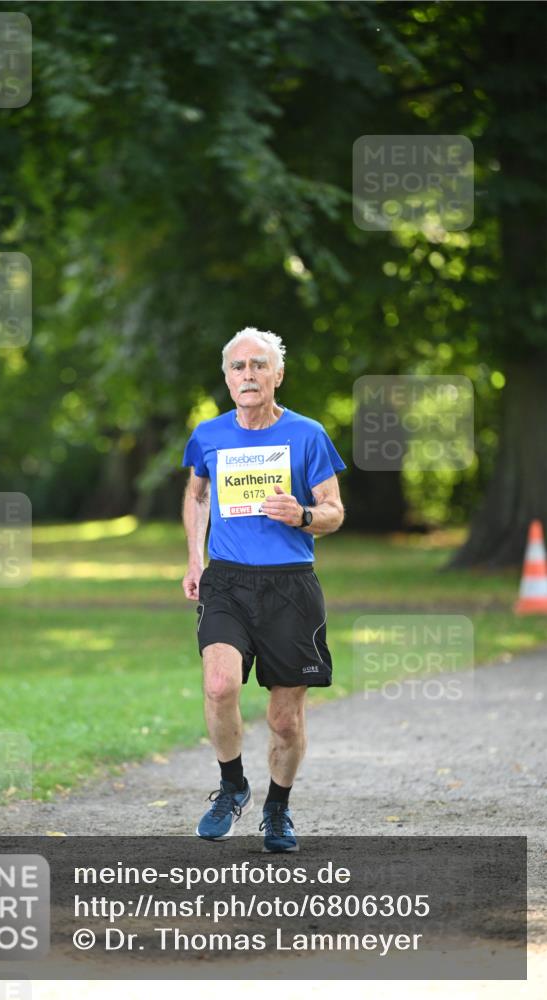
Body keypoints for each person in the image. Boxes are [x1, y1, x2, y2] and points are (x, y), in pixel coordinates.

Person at [182, 326, 345, 852]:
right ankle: (232, 789)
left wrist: (301, 514)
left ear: (277, 374)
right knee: (219, 685)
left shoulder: (308, 434)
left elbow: (334, 512)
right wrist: (193, 558)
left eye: (258, 365)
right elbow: (197, 496)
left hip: (290, 585)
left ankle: (277, 810)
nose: (247, 375)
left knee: (284, 720)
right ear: (227, 379)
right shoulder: (208, 435)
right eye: (238, 367)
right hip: (227, 579)